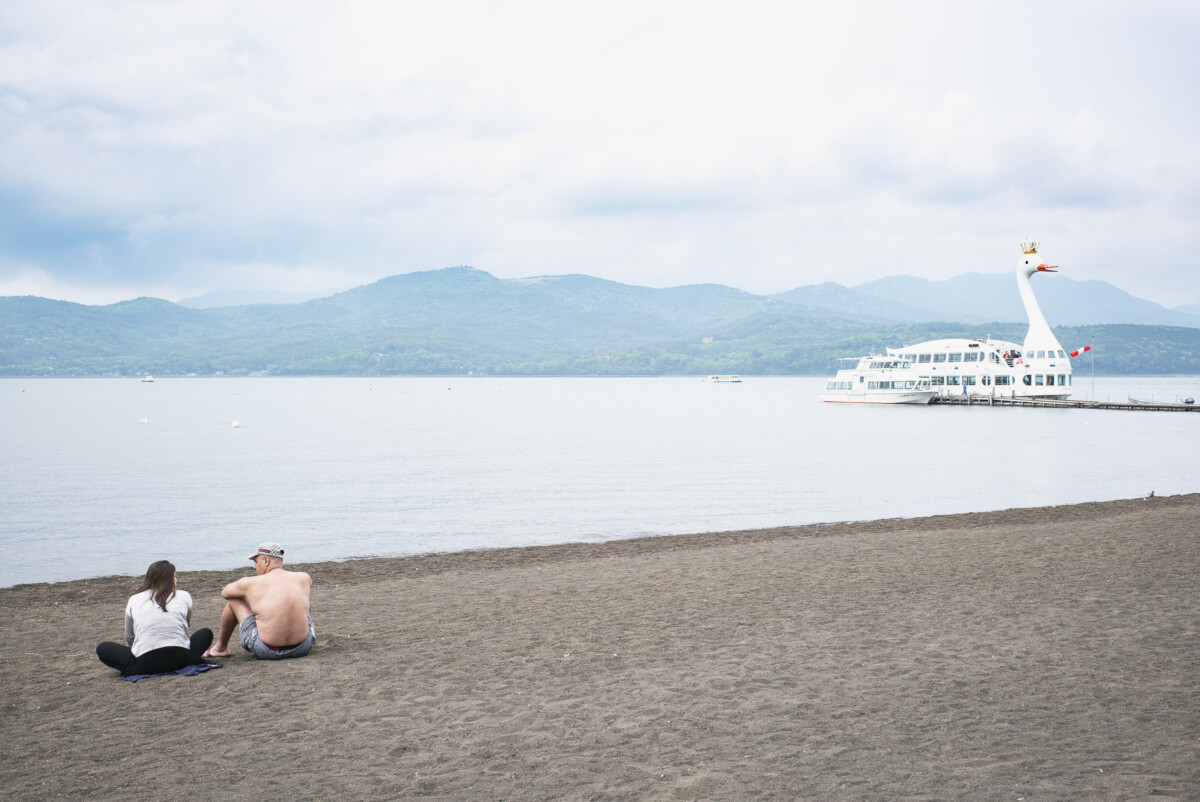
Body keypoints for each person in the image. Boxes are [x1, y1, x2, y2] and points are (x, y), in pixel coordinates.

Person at [96, 560, 214, 676]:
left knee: (103, 648)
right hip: (181, 659)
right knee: (205, 633)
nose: (176, 580)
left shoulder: (134, 599)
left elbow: (130, 636)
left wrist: (141, 649)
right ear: (170, 579)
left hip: (145, 664)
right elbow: (185, 627)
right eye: (174, 576)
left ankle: (135, 667)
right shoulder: (184, 596)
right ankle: (188, 658)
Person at [203, 542, 314, 660]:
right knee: (299, 602)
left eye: (256, 562)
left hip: (267, 650)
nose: (255, 567)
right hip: (303, 647)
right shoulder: (304, 577)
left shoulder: (251, 583)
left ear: (266, 561)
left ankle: (220, 648)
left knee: (234, 600)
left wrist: (248, 595)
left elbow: (225, 593)